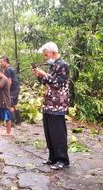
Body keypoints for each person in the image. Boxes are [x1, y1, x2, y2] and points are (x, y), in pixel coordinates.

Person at [33, 42, 70, 170]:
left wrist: (45, 75)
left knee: (58, 133)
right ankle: (53, 157)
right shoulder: (52, 66)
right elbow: (47, 83)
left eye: (46, 55)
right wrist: (40, 76)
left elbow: (58, 84)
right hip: (48, 103)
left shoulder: (63, 65)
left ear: (53, 53)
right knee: (49, 132)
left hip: (58, 104)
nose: (45, 57)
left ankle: (62, 160)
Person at [0, 56, 21, 125]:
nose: (0, 63)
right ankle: (19, 121)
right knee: (14, 104)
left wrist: (7, 91)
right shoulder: (12, 68)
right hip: (16, 88)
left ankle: (12, 122)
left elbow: (9, 81)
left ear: (5, 62)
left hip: (12, 89)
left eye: (1, 62)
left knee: (10, 104)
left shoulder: (7, 70)